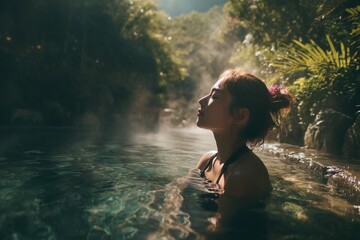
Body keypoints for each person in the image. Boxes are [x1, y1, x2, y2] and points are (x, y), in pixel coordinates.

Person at [196, 68, 292, 207]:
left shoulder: (243, 175)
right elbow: (178, 194)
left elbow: (222, 227)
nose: (201, 100)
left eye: (215, 97)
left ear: (240, 116)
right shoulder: (208, 161)